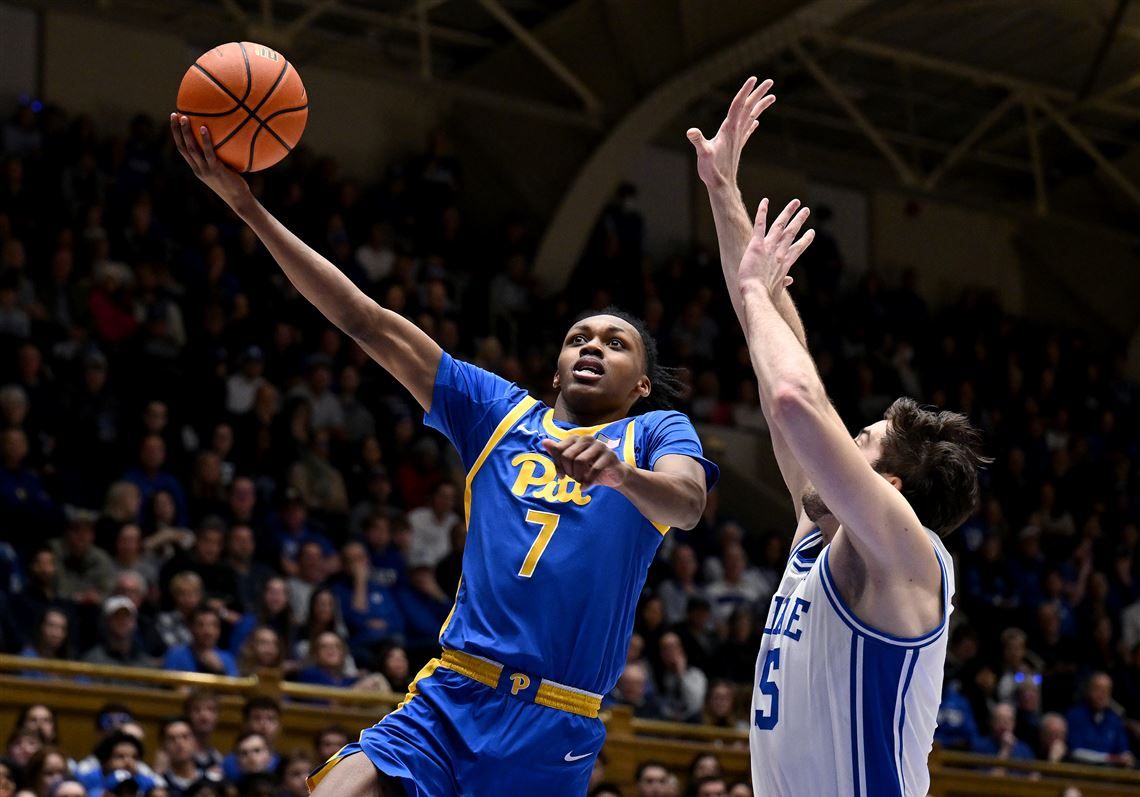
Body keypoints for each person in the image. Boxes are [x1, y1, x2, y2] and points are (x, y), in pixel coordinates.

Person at [172, 112, 717, 797]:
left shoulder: (659, 431)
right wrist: (248, 208)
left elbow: (689, 503)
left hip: (557, 723)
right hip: (455, 692)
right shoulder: (497, 411)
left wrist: (620, 473)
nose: (591, 346)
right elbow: (364, 319)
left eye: (615, 342)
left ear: (640, 384)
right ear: (555, 370)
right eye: (579, 337)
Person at [690, 77, 987, 796]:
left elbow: (795, 398)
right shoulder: (818, 529)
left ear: (887, 489)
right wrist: (723, 188)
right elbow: (780, 360)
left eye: (858, 439)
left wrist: (761, 290)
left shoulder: (906, 559)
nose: (836, 444)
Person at [1065, 672, 1133, 766]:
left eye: (1106, 690)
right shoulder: (1075, 715)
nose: (1102, 695)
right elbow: (1075, 752)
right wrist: (1109, 759)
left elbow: (1123, 752)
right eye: (1098, 689)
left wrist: (1126, 757)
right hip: (1082, 771)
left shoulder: (1114, 720)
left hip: (1110, 774)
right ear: (1089, 690)